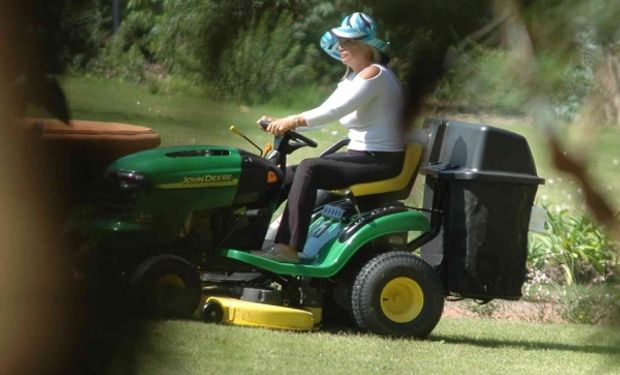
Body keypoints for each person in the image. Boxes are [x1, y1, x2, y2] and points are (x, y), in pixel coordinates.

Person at [255, 12, 405, 263]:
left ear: (368, 46)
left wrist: (291, 120)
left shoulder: (374, 74)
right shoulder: (352, 77)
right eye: (340, 41)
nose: (341, 46)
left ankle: (288, 249)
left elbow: (333, 112)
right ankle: (255, 238)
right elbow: (323, 114)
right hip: (361, 155)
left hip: (381, 159)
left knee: (309, 169)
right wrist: (283, 126)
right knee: (284, 174)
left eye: (349, 42)